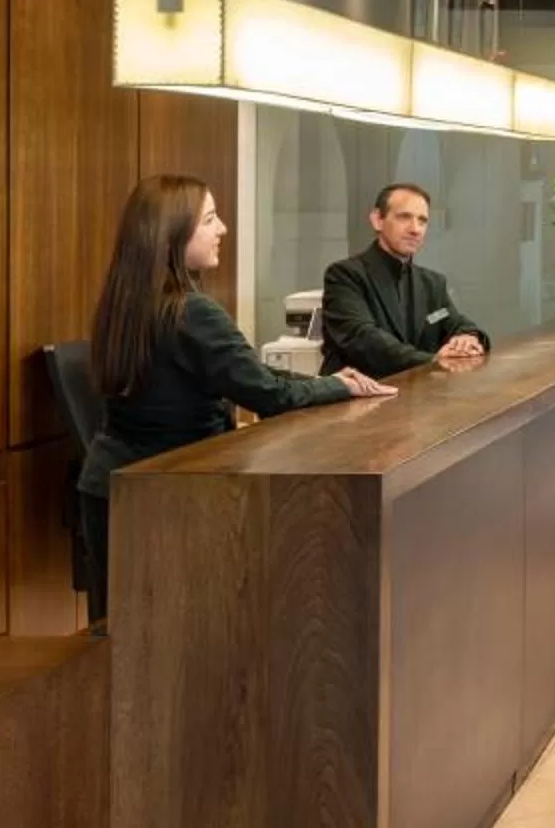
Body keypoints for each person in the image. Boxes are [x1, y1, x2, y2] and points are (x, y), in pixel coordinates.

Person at [79, 176, 392, 624]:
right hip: (171, 494)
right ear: (172, 233)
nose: (222, 227)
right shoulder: (191, 311)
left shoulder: (126, 304)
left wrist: (332, 380)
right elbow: (267, 393)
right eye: (209, 219)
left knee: (120, 637)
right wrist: (340, 386)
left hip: (109, 485)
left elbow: (249, 375)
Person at [320, 183, 491, 380]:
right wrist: (433, 360)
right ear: (377, 220)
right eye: (404, 217)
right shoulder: (345, 275)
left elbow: (455, 322)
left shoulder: (432, 284)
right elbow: (364, 340)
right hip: (355, 401)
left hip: (415, 400)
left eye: (422, 221)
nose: (415, 229)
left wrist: (468, 338)